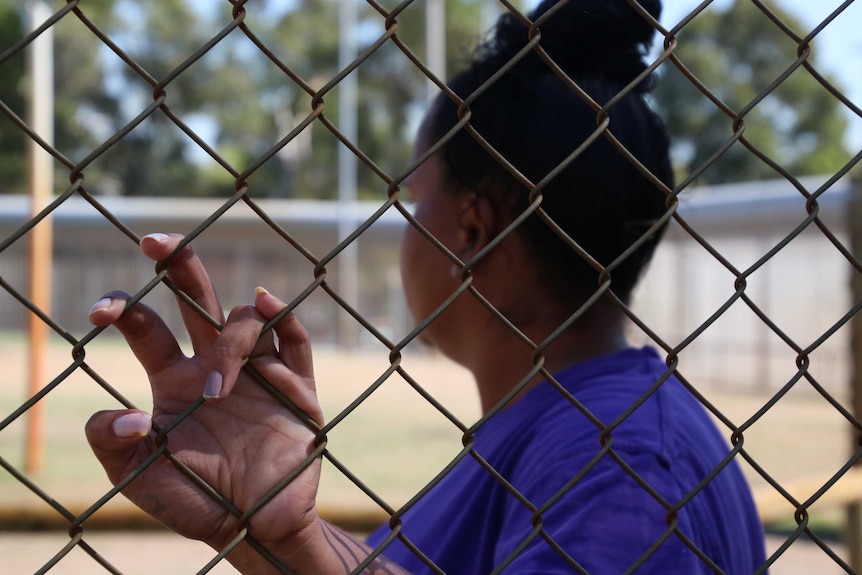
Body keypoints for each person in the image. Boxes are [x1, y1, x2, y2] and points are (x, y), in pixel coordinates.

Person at [84, 0, 768, 573]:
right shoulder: (567, 430)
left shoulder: (621, 462)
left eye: (415, 197)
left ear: (471, 226)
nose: (408, 226)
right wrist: (283, 534)